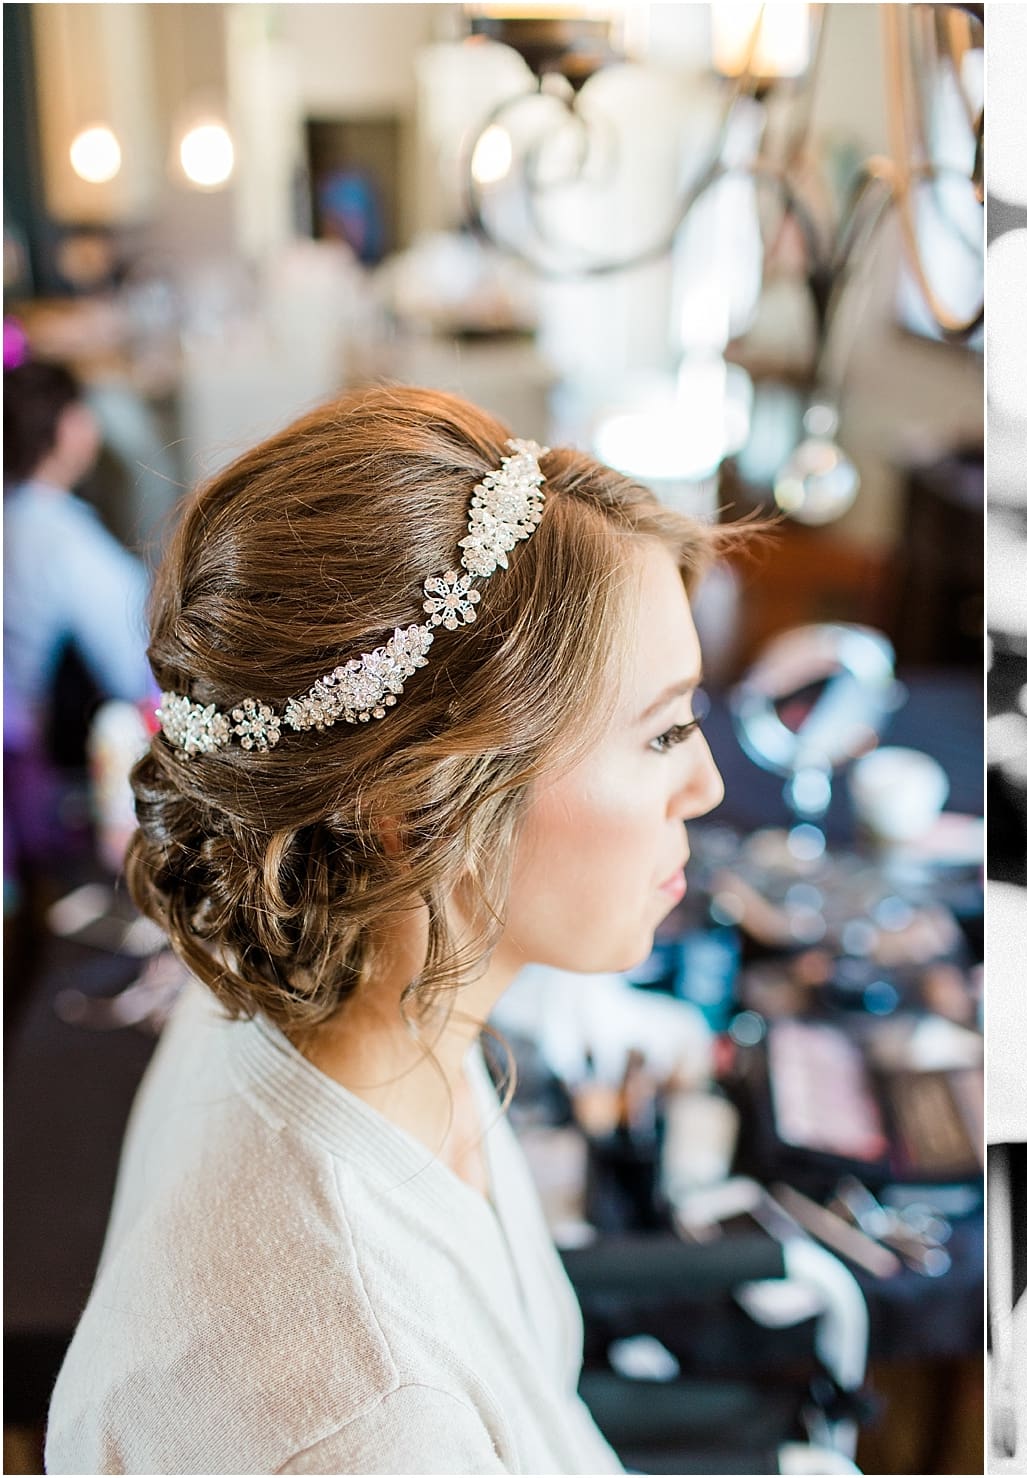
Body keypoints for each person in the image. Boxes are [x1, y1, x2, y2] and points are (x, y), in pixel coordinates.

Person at [47, 386, 735, 1472]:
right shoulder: (357, 1415)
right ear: (418, 804)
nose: (706, 784)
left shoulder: (361, 1015)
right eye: (662, 733)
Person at [3, 360, 154, 872]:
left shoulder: (16, 514)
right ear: (66, 427)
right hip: (39, 766)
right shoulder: (61, 538)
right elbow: (134, 661)